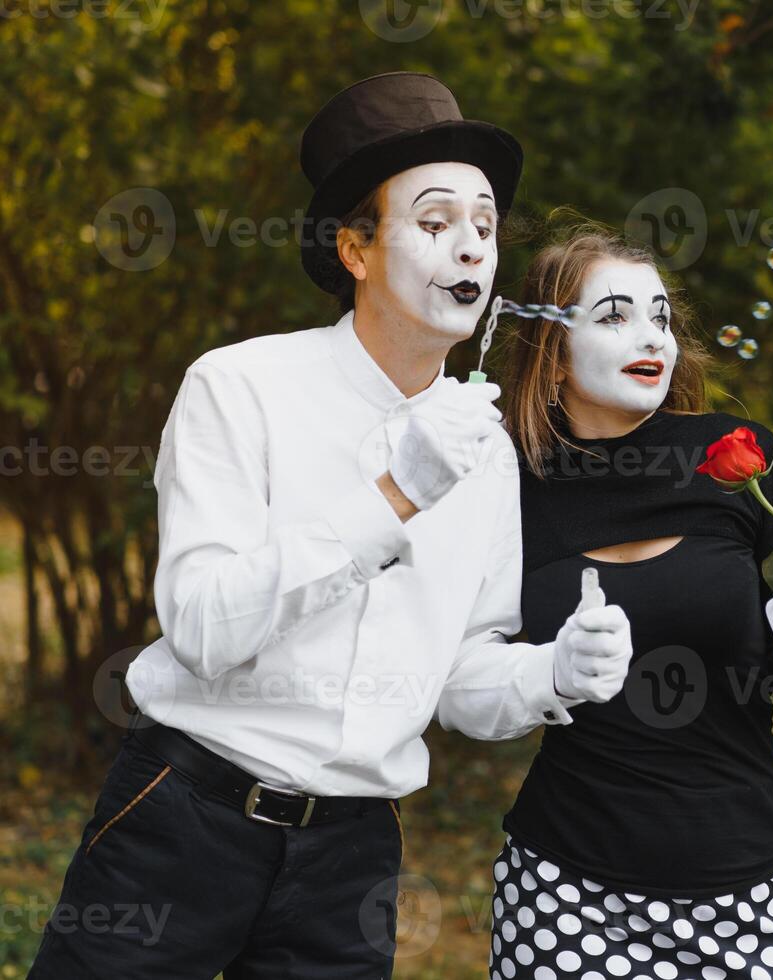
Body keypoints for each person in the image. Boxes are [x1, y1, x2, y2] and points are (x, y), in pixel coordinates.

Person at [28, 74, 633, 980]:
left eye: (485, 225)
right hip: (183, 819)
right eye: (434, 223)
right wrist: (392, 495)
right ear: (355, 248)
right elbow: (200, 628)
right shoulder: (238, 388)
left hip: (352, 858)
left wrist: (555, 672)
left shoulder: (489, 451)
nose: (470, 247)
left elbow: (462, 674)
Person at [486, 225, 773, 979]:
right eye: (615, 315)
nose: (650, 335)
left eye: (659, 316)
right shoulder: (503, 483)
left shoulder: (739, 456)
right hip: (564, 886)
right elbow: (468, 678)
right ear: (552, 351)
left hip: (741, 885)